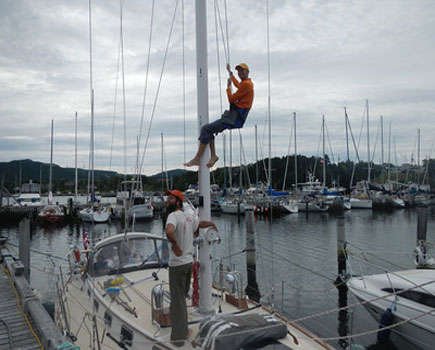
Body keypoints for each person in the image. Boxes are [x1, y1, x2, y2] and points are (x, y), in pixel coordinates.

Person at [164, 189, 217, 346]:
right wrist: (212, 223)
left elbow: (169, 231)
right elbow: (198, 225)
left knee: (177, 301)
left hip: (177, 264)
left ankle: (179, 338)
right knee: (181, 298)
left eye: (171, 198)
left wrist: (175, 244)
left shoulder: (173, 216)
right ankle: (183, 328)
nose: (168, 200)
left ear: (178, 201)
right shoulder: (189, 215)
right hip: (188, 264)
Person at [184, 63, 254, 168]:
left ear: (248, 72)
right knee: (209, 130)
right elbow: (237, 85)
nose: (240, 73)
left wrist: (227, 88)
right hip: (235, 116)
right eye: (239, 71)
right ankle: (213, 156)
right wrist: (230, 73)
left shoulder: (246, 85)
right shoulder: (246, 83)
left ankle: (198, 158)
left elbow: (231, 99)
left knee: (205, 129)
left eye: (242, 70)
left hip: (235, 117)